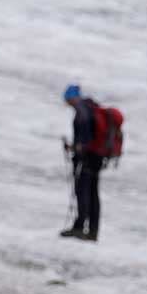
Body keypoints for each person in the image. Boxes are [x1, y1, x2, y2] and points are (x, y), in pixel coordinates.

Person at [62, 84, 104, 242]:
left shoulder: (82, 112)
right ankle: (92, 230)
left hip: (88, 158)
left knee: (83, 191)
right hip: (97, 157)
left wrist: (73, 149)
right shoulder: (90, 108)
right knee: (93, 193)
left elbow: (83, 142)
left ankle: (80, 227)